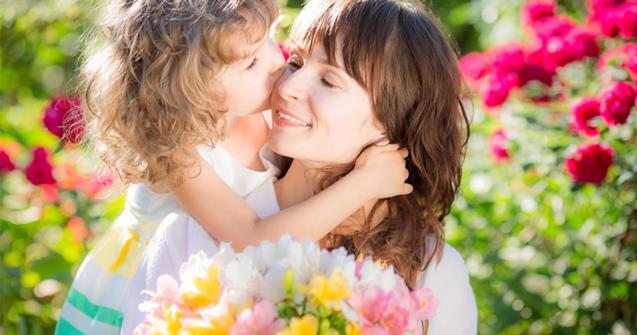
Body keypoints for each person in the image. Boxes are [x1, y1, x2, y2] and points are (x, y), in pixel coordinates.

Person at [123, 0, 477, 333]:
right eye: (295, 61)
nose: (288, 86)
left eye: (328, 81)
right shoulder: (192, 237)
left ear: (396, 116)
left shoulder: (431, 271)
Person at [55, 0, 410, 332]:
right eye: (251, 62)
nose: (275, 60)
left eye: (269, 38)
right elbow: (251, 239)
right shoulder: (181, 150)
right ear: (189, 89)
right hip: (149, 291)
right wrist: (364, 183)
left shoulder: (266, 109)